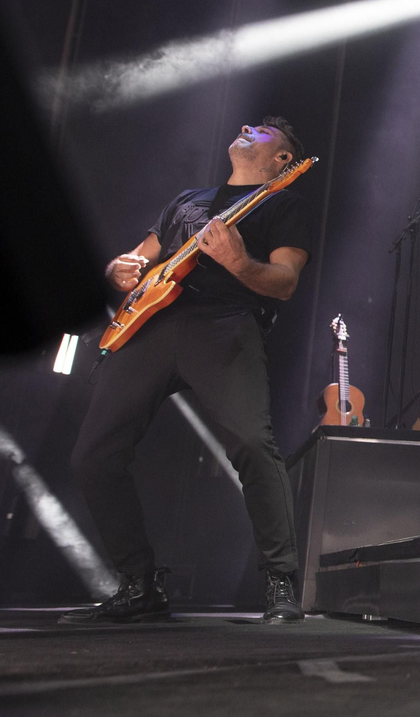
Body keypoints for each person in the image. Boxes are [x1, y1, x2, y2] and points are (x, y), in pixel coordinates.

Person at [60, 120, 313, 626]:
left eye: (261, 131)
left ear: (283, 161)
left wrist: (240, 264)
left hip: (223, 327)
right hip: (151, 325)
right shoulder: (188, 199)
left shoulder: (281, 203)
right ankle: (139, 584)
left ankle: (281, 582)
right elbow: (138, 257)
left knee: (252, 445)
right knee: (93, 456)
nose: (246, 127)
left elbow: (284, 283)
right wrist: (119, 268)